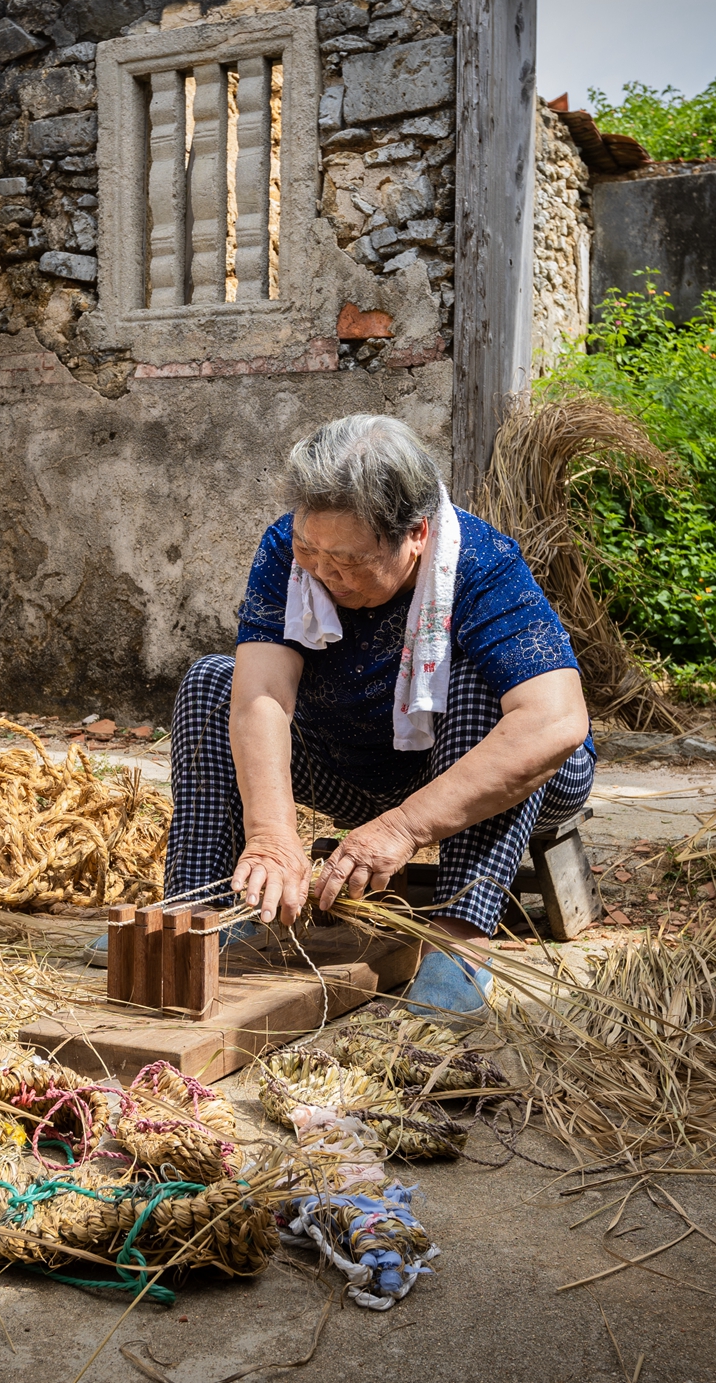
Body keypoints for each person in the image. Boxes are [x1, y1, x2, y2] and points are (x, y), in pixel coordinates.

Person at [165, 414, 594, 1017]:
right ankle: (208, 913)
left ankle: (459, 938)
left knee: (475, 681)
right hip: (354, 764)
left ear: (415, 533)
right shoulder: (290, 554)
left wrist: (402, 830)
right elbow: (261, 693)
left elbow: (553, 723)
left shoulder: (483, 564)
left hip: (488, 776)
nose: (323, 572)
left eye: (348, 559)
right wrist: (271, 836)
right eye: (311, 549)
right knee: (214, 681)